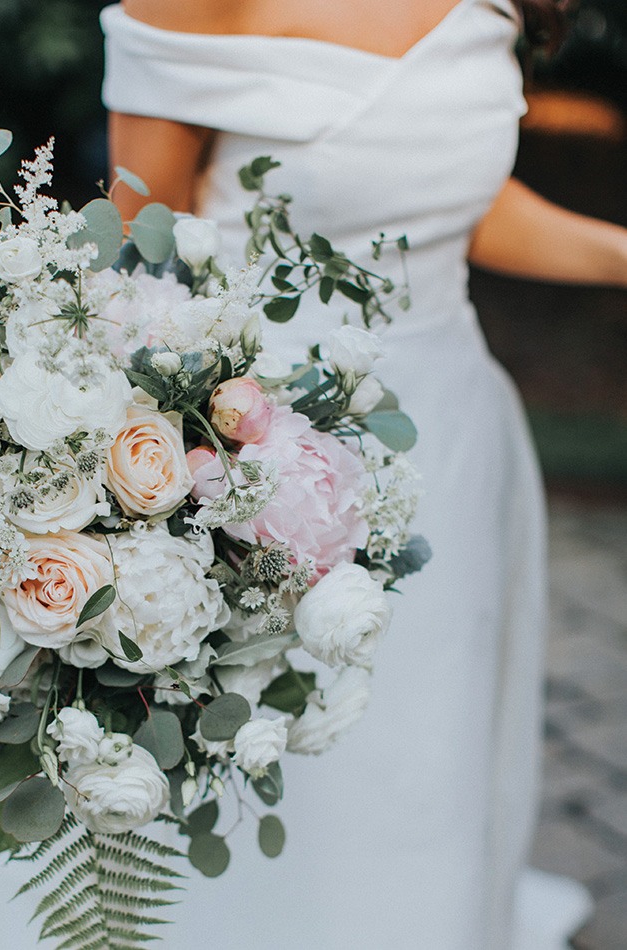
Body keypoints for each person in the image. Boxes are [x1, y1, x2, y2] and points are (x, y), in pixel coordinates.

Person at [100, 1, 627, 948]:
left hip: (452, 446)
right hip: (257, 462)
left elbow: (447, 201)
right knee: (273, 757)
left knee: (426, 755)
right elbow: (135, 254)